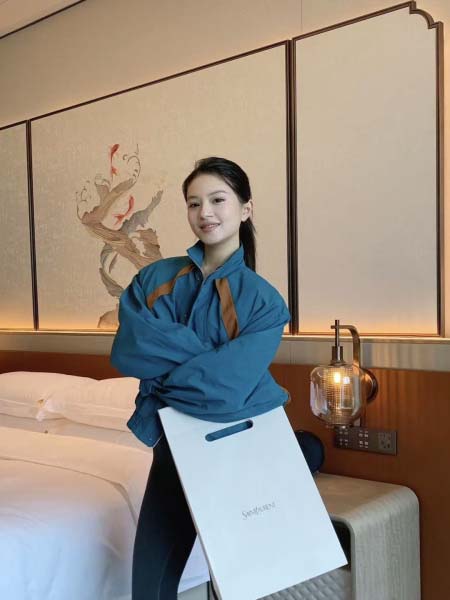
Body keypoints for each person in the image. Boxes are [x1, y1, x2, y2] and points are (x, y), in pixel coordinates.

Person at [110, 156, 290, 600]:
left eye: (217, 200)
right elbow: (130, 351)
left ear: (245, 208)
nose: (204, 212)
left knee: (244, 582)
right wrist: (211, 359)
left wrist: (166, 373)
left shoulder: (265, 303)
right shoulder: (154, 278)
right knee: (150, 585)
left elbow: (225, 390)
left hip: (240, 446)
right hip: (172, 443)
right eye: (194, 203)